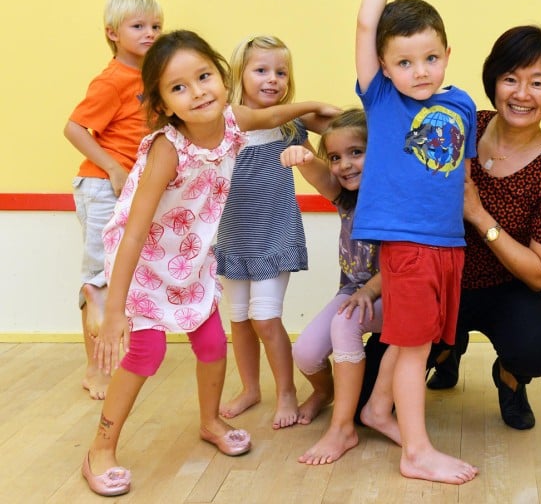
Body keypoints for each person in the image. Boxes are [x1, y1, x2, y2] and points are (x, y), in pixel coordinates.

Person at [82, 30, 337, 497]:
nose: (197, 92)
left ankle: (209, 421)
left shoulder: (233, 119)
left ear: (222, 76)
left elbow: (272, 114)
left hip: (189, 256)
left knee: (212, 343)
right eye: (178, 87)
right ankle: (100, 448)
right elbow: (134, 232)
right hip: (143, 262)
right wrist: (116, 311)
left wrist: (314, 106)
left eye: (203, 77)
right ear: (162, 104)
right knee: (147, 353)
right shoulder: (167, 148)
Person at [351, 0, 479, 484]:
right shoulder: (383, 98)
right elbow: (365, 25)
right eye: (404, 62)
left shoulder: (462, 104)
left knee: (409, 338)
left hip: (447, 241)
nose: (420, 71)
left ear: (447, 54)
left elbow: (460, 174)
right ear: (383, 66)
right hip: (406, 244)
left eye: (430, 58)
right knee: (414, 347)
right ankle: (416, 451)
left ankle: (378, 410)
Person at [424, 25, 541, 431]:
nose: (522, 94)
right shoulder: (464, 126)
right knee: (371, 388)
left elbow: (540, 273)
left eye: (538, 83)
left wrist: (478, 214)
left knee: (536, 348)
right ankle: (447, 351)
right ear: (493, 81)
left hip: (505, 288)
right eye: (510, 79)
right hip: (442, 277)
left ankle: (509, 378)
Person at [216, 35, 324, 430]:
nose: (273, 79)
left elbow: (322, 160)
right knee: (239, 319)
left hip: (273, 235)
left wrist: (311, 147)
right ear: (239, 75)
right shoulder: (225, 125)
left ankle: (286, 391)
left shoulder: (288, 127)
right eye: (261, 70)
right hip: (233, 237)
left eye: (281, 72)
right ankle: (250, 388)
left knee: (264, 318)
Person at [64, 0, 164, 401]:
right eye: (138, 26)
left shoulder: (154, 77)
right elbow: (74, 129)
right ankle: (95, 369)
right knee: (99, 280)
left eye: (156, 26)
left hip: (133, 188)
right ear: (112, 33)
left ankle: (115, 360)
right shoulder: (111, 80)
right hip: (103, 187)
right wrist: (113, 168)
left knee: (123, 275)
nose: (150, 33)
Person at [283, 109, 385, 465]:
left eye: (356, 152)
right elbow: (318, 175)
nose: (345, 165)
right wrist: (304, 157)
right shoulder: (345, 196)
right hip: (353, 288)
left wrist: (369, 292)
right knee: (305, 352)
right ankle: (324, 392)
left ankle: (343, 428)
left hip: (392, 292)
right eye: (336, 157)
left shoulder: (393, 199)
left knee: (345, 322)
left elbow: (402, 264)